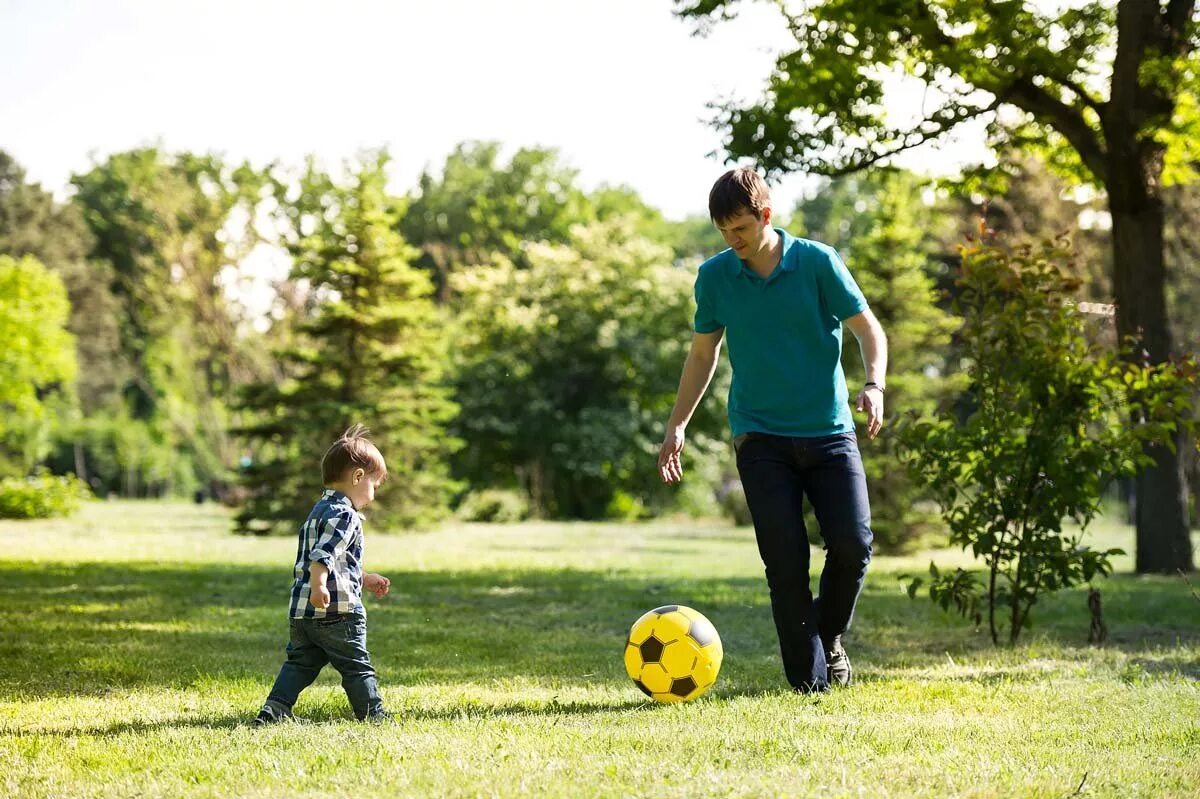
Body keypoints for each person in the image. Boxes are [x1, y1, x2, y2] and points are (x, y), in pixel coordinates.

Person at [657, 167, 887, 693]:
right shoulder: (716, 277)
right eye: (723, 231)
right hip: (759, 435)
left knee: (853, 545)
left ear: (765, 215)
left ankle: (828, 638)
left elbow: (867, 329)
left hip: (828, 431)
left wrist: (874, 384)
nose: (732, 241)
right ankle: (810, 686)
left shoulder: (817, 262)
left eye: (740, 228)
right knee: (784, 562)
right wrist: (677, 424)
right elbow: (702, 353)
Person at [252, 424, 395, 724]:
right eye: (374, 484)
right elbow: (322, 556)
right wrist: (319, 585)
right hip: (336, 612)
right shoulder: (346, 515)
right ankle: (374, 716)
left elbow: (333, 558)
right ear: (358, 477)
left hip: (303, 613)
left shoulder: (318, 510)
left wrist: (363, 578)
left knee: (300, 663)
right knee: (356, 666)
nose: (374, 494)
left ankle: (275, 709)